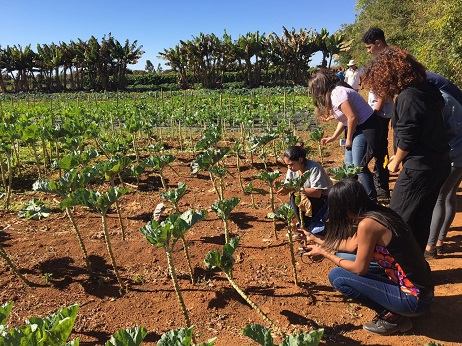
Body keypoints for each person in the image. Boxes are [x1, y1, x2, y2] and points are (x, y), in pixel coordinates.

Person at [301, 179, 434, 336]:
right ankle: (396, 309)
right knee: (344, 256)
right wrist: (316, 239)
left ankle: (393, 317)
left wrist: (324, 253)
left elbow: (359, 269)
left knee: (337, 276)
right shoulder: (378, 213)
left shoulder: (367, 225)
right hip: (421, 287)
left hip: (414, 299)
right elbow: (351, 247)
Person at [363, 46, 451, 251]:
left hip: (420, 167)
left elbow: (408, 137)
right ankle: (418, 267)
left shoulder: (407, 97)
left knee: (397, 217)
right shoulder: (428, 89)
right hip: (440, 162)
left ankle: (400, 268)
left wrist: (396, 160)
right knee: (421, 217)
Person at [309, 68, 380, 200]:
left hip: (366, 126)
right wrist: (334, 137)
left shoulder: (338, 94)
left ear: (321, 86)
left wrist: (348, 139)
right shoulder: (333, 95)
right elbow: (345, 119)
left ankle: (371, 199)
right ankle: (352, 195)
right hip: (357, 127)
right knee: (349, 165)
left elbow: (353, 117)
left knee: (359, 165)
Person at [425, 89, 462, 258]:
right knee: (449, 194)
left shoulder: (437, 98)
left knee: (440, 196)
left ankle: (430, 247)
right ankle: (439, 242)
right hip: (459, 153)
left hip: (453, 154)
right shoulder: (446, 96)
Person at [362, 27, 393, 199]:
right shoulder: (383, 58)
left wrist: (376, 111)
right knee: (377, 147)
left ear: (378, 43)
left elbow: (385, 90)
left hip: (380, 114)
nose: (368, 51)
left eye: (369, 47)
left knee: (378, 149)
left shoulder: (386, 60)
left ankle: (381, 187)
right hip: (377, 112)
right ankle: (379, 185)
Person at [277, 145, 332, 233]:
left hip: (323, 201)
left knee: (295, 197)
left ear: (300, 160)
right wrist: (281, 187)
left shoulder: (314, 168)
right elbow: (288, 186)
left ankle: (305, 226)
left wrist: (294, 189)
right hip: (305, 199)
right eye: (287, 165)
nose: (289, 167)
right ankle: (303, 222)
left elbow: (317, 193)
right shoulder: (291, 169)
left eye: (291, 164)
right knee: (279, 212)